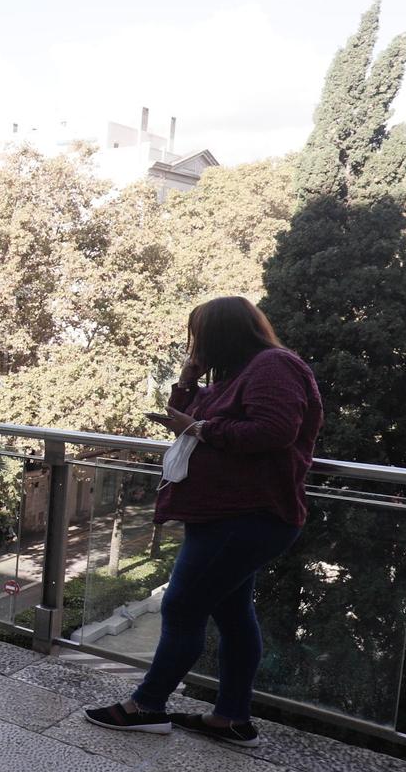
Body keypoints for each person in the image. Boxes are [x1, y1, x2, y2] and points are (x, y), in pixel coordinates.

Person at [85, 296, 322, 747]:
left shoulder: (275, 366)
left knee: (181, 607)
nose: (196, 345)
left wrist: (199, 429)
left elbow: (274, 431)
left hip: (249, 516)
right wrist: (187, 382)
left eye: (200, 336)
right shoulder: (236, 373)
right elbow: (191, 422)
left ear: (221, 334)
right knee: (232, 614)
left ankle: (147, 706)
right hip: (227, 514)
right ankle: (231, 719)